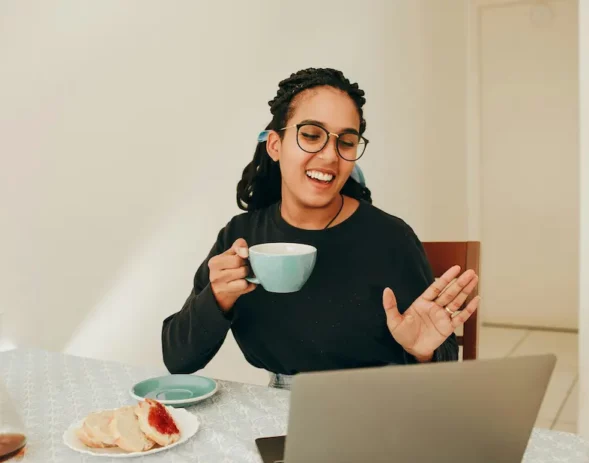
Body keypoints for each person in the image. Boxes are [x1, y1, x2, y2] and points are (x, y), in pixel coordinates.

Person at [161, 68, 480, 389]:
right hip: (276, 410)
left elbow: (442, 360)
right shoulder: (240, 238)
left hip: (378, 408)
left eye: (347, 141)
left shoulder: (391, 239)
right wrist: (216, 299)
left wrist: (421, 353)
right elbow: (178, 359)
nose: (330, 155)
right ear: (275, 144)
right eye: (312, 135)